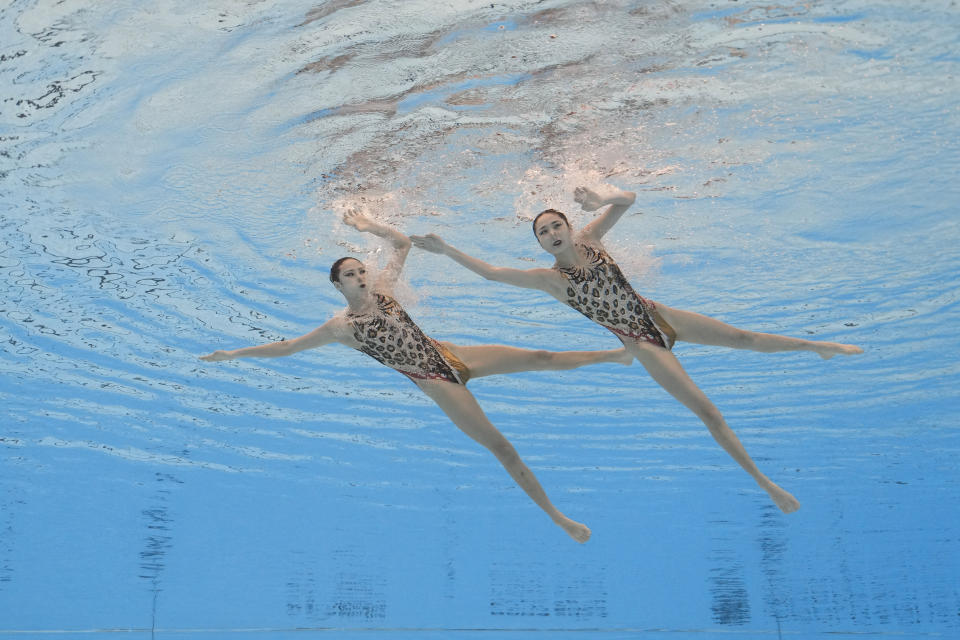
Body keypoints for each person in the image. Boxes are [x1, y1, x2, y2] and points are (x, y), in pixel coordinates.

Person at [411, 184, 863, 514]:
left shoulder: (592, 238)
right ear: (540, 244)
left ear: (569, 227)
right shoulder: (548, 280)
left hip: (659, 313)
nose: (551, 233)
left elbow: (628, 200)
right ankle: (766, 483)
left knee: (745, 338)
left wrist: (601, 197)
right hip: (641, 342)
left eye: (556, 224)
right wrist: (447, 249)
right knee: (706, 410)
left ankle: (818, 347)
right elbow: (491, 273)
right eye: (543, 231)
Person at [200, 209, 634, 543]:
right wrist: (235, 354)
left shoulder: (385, 290)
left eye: (360, 269)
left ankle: (615, 356)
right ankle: (559, 518)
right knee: (503, 447)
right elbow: (287, 347)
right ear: (338, 286)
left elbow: (401, 244)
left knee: (540, 356)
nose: (361, 275)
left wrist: (369, 224)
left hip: (450, 352)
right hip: (437, 382)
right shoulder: (340, 328)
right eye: (350, 274)